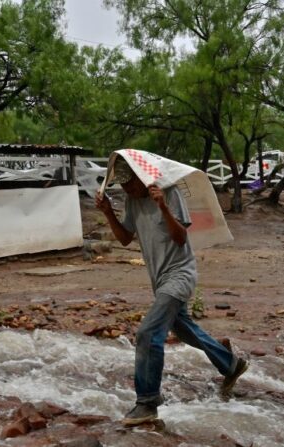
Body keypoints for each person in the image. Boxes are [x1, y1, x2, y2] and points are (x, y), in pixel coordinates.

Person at [95, 157, 248, 427]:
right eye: (124, 187)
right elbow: (125, 237)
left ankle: (147, 403)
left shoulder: (169, 193)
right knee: (184, 330)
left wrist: (162, 207)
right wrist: (108, 212)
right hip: (160, 280)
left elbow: (180, 238)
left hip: (180, 275)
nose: (128, 191)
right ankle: (231, 364)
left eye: (130, 185)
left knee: (148, 333)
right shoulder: (131, 201)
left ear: (142, 179)